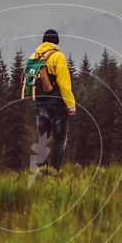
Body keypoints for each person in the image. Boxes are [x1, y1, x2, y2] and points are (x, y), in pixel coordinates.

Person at [26, 29, 75, 171]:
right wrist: (71, 105)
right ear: (56, 42)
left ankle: (40, 170)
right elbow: (64, 84)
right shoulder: (58, 56)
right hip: (56, 105)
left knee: (42, 139)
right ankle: (55, 171)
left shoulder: (33, 56)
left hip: (39, 103)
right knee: (59, 140)